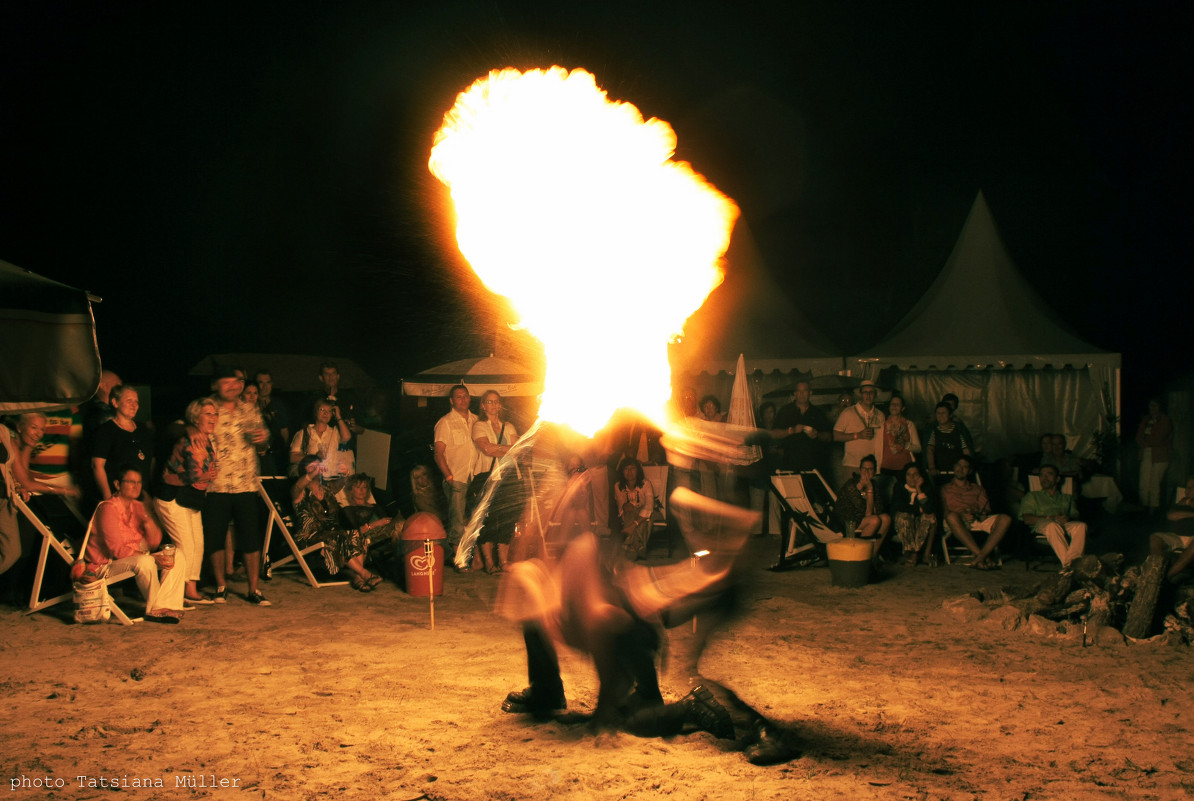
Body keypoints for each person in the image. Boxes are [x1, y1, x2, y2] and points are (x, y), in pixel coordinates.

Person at [84, 466, 187, 623]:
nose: (136, 486)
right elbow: (116, 550)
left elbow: (153, 543)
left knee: (176, 554)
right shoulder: (108, 508)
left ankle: (166, 606)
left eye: (139, 482)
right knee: (145, 561)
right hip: (105, 565)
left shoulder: (137, 506)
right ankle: (157, 608)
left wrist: (147, 517)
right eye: (131, 482)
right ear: (117, 485)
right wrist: (151, 557)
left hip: (133, 559)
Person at [204, 367, 271, 606]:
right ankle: (221, 586)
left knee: (250, 537)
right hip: (216, 484)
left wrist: (263, 441)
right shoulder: (206, 408)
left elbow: (263, 446)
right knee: (216, 536)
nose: (234, 386)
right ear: (216, 384)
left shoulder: (250, 408)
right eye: (227, 382)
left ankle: (254, 589)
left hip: (245, 483)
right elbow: (190, 430)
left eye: (237, 381)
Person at [155, 398, 218, 606]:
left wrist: (207, 475)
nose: (213, 417)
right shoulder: (187, 438)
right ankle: (176, 591)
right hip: (173, 496)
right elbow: (193, 474)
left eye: (215, 414)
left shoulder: (208, 440)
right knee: (185, 545)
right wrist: (206, 476)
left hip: (191, 499)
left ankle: (190, 588)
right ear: (195, 418)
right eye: (208, 413)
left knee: (197, 544)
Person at [291, 456, 384, 592]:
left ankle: (357, 578)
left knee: (355, 534)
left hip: (332, 532)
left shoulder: (326, 489)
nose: (317, 469)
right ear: (304, 471)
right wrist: (312, 473)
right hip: (310, 537)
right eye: (311, 467)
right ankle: (365, 574)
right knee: (340, 537)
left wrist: (344, 472)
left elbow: (342, 482)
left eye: (318, 466)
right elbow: (298, 486)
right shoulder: (299, 493)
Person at [472, 390, 520, 574]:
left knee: (508, 518)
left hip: (509, 476)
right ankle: (490, 563)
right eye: (489, 402)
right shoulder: (479, 426)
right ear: (483, 405)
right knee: (489, 519)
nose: (493, 405)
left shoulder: (509, 426)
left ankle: (504, 561)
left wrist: (499, 448)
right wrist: (506, 449)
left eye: (496, 402)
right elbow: (486, 449)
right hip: (488, 476)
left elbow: (516, 450)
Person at [940, 455, 1010, 570]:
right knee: (951, 516)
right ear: (954, 467)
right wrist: (962, 515)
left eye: (965, 467)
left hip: (975, 519)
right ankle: (983, 556)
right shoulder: (945, 489)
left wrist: (975, 513)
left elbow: (985, 510)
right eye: (958, 465)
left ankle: (980, 557)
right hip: (955, 521)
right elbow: (944, 511)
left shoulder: (978, 489)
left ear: (970, 470)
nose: (961, 469)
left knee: (1005, 519)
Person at [433, 384, 478, 558]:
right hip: (457, 477)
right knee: (457, 520)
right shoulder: (445, 422)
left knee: (473, 518)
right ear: (451, 401)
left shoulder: (476, 420)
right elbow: (438, 454)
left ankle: (473, 556)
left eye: (465, 396)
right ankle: (458, 557)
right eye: (459, 397)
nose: (463, 399)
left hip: (474, 476)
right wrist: (449, 477)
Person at [91, 385, 154, 503]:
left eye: (136, 402)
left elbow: (150, 463)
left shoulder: (143, 430)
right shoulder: (106, 430)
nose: (134, 405)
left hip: (142, 495)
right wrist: (109, 499)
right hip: (118, 496)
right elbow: (97, 466)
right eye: (129, 401)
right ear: (115, 402)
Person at [1020, 464, 1086, 572]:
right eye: (1041, 475)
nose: (1044, 478)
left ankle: (1072, 564)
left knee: (1081, 526)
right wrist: (1051, 517)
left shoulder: (1067, 497)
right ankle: (1070, 566)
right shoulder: (1032, 496)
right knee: (1052, 525)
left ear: (1058, 479)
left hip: (1064, 524)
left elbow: (1075, 515)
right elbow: (1027, 518)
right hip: (1043, 525)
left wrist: (1068, 517)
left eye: (1049, 474)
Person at [290, 398, 353, 489]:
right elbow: (292, 457)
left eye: (329, 411)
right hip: (310, 481)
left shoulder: (334, 432)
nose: (325, 414)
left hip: (331, 480)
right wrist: (315, 457)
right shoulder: (304, 433)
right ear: (316, 412)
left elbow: (347, 437)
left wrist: (339, 417)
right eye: (322, 410)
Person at [771, 380, 831, 475]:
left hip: (813, 466)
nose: (801, 394)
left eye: (805, 391)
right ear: (795, 393)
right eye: (799, 391)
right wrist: (792, 430)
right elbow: (774, 434)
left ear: (810, 392)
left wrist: (817, 435)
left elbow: (829, 436)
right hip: (790, 465)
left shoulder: (818, 413)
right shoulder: (785, 411)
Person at [834, 455, 891, 553]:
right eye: (864, 469)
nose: (867, 472)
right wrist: (869, 490)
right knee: (874, 520)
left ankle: (872, 556)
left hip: (862, 520)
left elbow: (878, 509)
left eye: (870, 469)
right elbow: (868, 514)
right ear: (860, 470)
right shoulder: (851, 485)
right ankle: (861, 554)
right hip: (847, 522)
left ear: (874, 472)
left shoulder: (874, 485)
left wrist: (870, 489)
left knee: (886, 518)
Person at [832, 379, 884, 487]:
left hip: (872, 466)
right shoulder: (848, 412)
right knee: (851, 499)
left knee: (870, 498)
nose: (868, 395)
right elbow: (836, 436)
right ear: (860, 394)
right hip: (852, 464)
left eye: (871, 392)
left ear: (875, 394)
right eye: (865, 392)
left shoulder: (880, 415)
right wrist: (858, 435)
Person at [891, 463, 937, 567]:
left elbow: (929, 509)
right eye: (909, 474)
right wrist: (917, 509)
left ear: (920, 475)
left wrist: (919, 489)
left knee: (930, 517)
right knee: (905, 517)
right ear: (905, 476)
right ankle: (912, 552)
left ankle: (915, 554)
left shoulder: (926, 488)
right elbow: (898, 506)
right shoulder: (899, 487)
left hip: (920, 520)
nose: (912, 477)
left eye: (915, 474)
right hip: (903, 521)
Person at [1151, 477, 1194, 579]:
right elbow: (1171, 515)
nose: (1187, 490)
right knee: (1155, 538)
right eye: (1187, 487)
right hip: (1177, 537)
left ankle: (1163, 577)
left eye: (1192, 487)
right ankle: (1155, 571)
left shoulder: (1186, 502)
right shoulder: (1183, 501)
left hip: (1192, 538)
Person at [1135, 398, 1172, 514]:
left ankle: (1153, 509)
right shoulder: (1146, 420)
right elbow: (1138, 437)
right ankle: (1144, 507)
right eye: (1151, 406)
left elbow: (1160, 438)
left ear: (1160, 407)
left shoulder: (1165, 420)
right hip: (1146, 452)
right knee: (1144, 482)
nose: (1153, 409)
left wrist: (1147, 441)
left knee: (1154, 483)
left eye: (1155, 406)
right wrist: (1144, 442)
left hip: (1160, 454)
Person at [615, 458, 656, 561]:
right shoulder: (618, 486)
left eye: (632, 468)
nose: (629, 472)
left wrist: (632, 526)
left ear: (638, 470)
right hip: (628, 515)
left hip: (647, 515)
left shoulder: (646, 484)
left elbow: (649, 507)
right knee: (629, 510)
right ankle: (638, 545)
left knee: (639, 515)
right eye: (626, 469)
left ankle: (628, 545)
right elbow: (622, 508)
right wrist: (629, 508)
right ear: (622, 471)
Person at [254, 369, 290, 477]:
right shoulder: (251, 405)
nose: (265, 386)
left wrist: (284, 451)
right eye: (261, 382)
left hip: (275, 455)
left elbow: (284, 431)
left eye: (268, 382)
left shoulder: (278, 405)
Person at [925, 402, 973, 480]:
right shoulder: (932, 430)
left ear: (950, 415)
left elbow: (966, 450)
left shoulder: (959, 429)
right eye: (938, 413)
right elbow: (929, 449)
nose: (940, 416)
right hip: (939, 471)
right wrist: (931, 467)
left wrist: (966, 467)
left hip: (957, 471)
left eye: (943, 413)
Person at [877, 394, 921, 478]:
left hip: (905, 468)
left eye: (897, 404)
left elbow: (918, 449)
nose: (894, 406)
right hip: (885, 467)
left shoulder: (909, 425)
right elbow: (876, 449)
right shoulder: (881, 426)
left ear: (903, 408)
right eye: (892, 404)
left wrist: (906, 444)